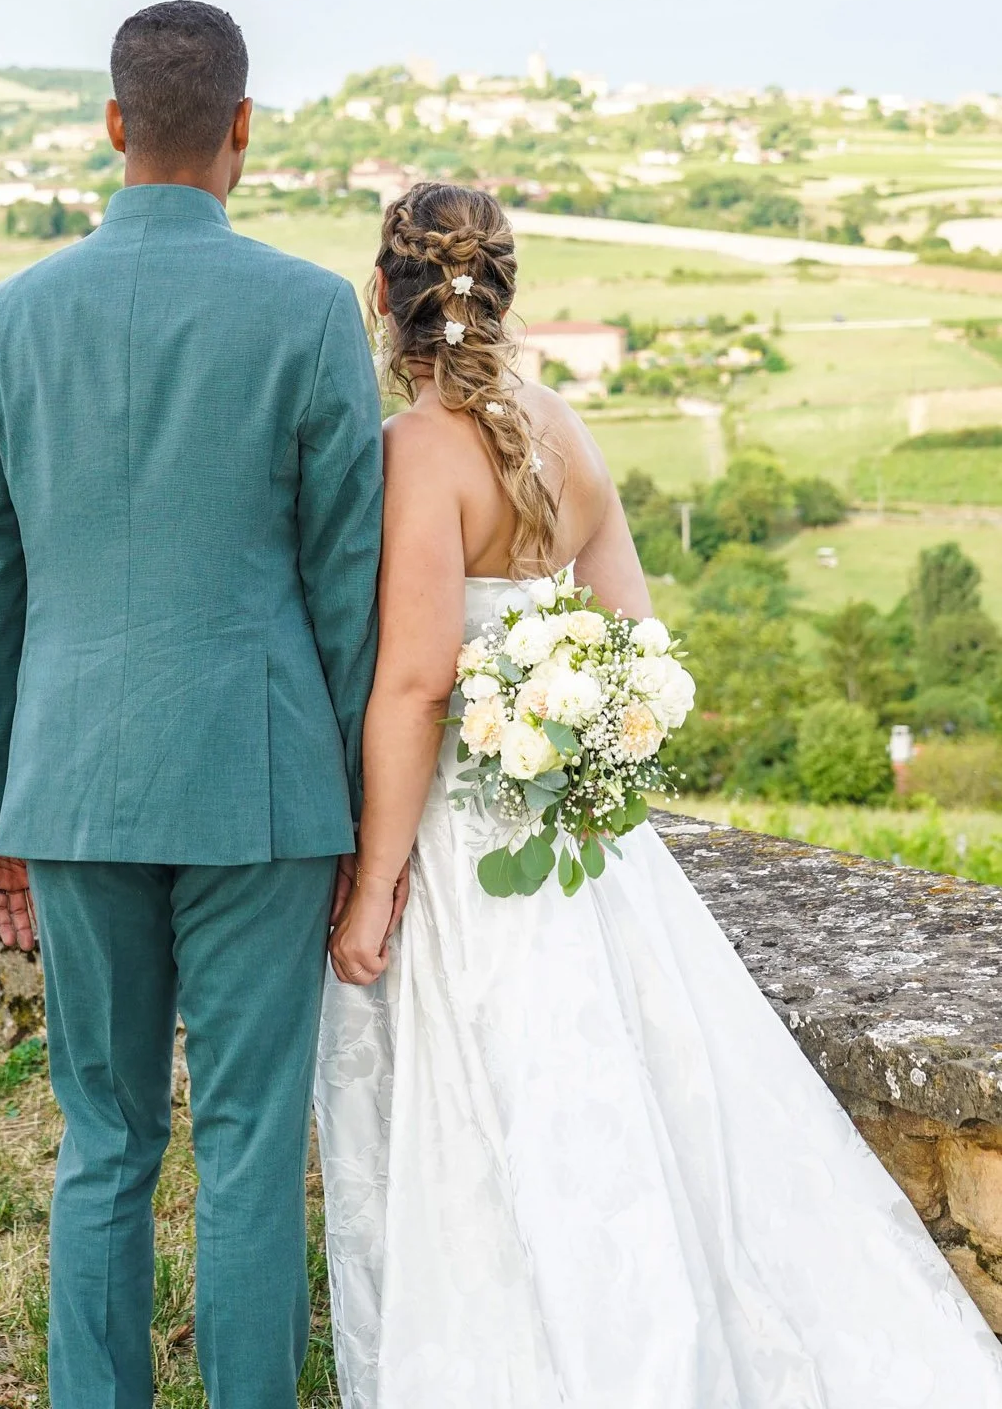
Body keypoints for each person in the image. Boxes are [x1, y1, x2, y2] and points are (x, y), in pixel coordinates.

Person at [315, 180, 1002, 1409]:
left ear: (384, 296)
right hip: (585, 854)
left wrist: (372, 890)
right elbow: (634, 642)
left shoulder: (415, 450)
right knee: (636, 1124)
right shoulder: (564, 425)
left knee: (498, 1135)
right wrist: (559, 717)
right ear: (507, 289)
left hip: (467, 856)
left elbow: (415, 683)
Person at [0, 0, 383, 1409]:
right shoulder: (311, 312)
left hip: (68, 784)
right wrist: (363, 819)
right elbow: (344, 587)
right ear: (242, 131)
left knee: (106, 1140)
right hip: (264, 788)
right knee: (250, 1145)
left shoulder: (4, 323)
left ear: (115, 124)